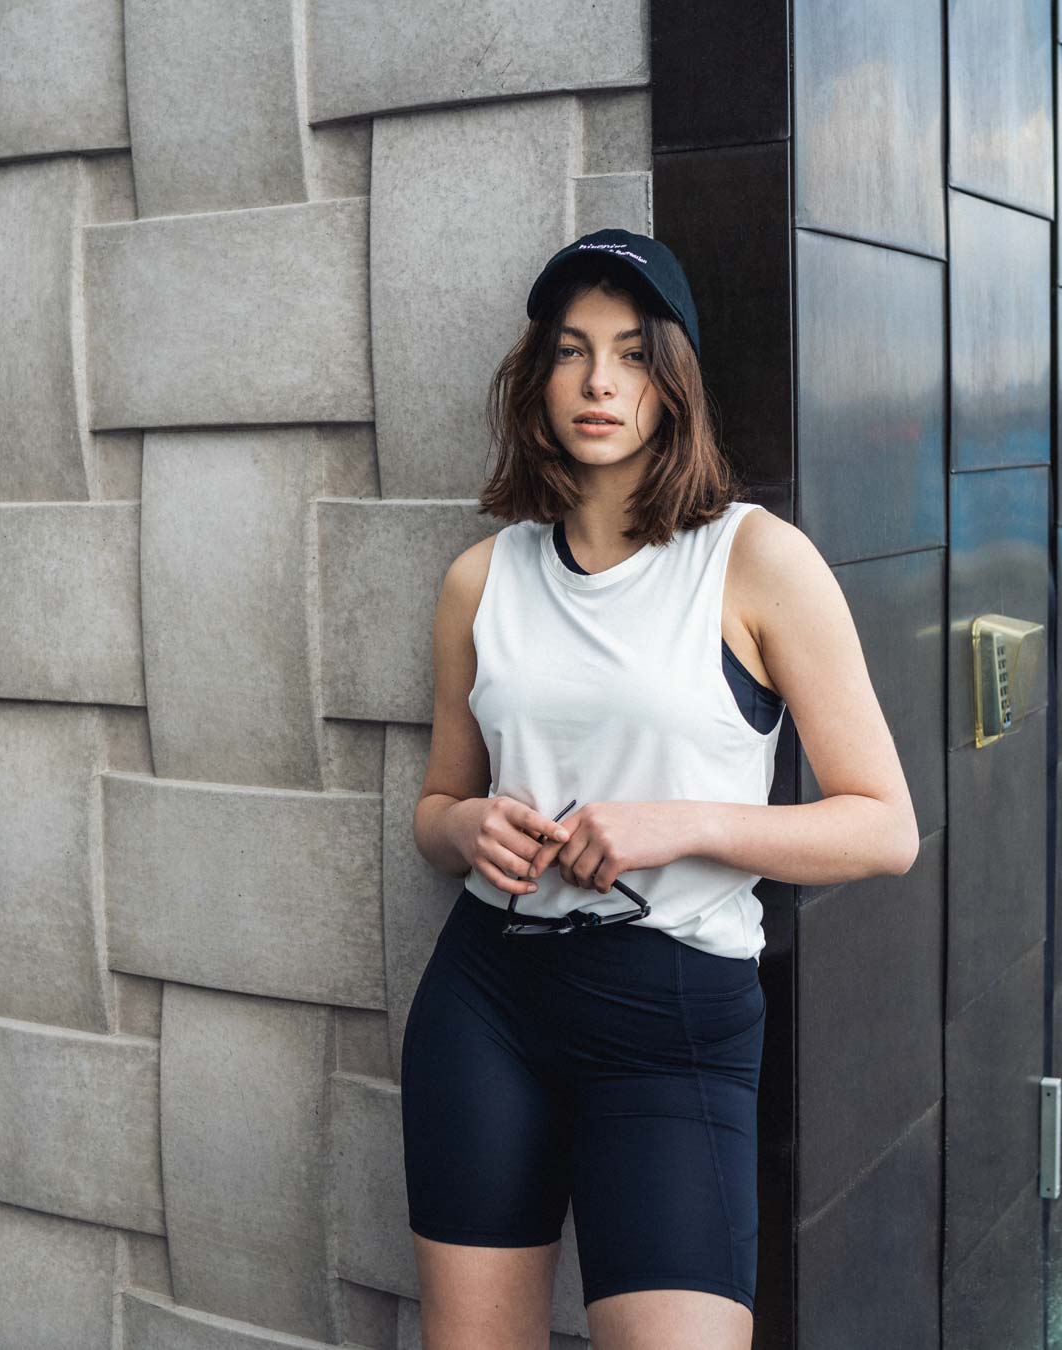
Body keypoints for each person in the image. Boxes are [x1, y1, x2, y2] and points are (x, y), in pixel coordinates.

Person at [402, 228, 919, 1350]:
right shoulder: (481, 581)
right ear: (536, 381)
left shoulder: (755, 559)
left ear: (672, 378)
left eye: (633, 354)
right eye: (573, 352)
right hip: (488, 1001)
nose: (599, 382)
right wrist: (471, 827)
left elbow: (885, 828)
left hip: (673, 1017)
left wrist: (676, 825)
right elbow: (434, 814)